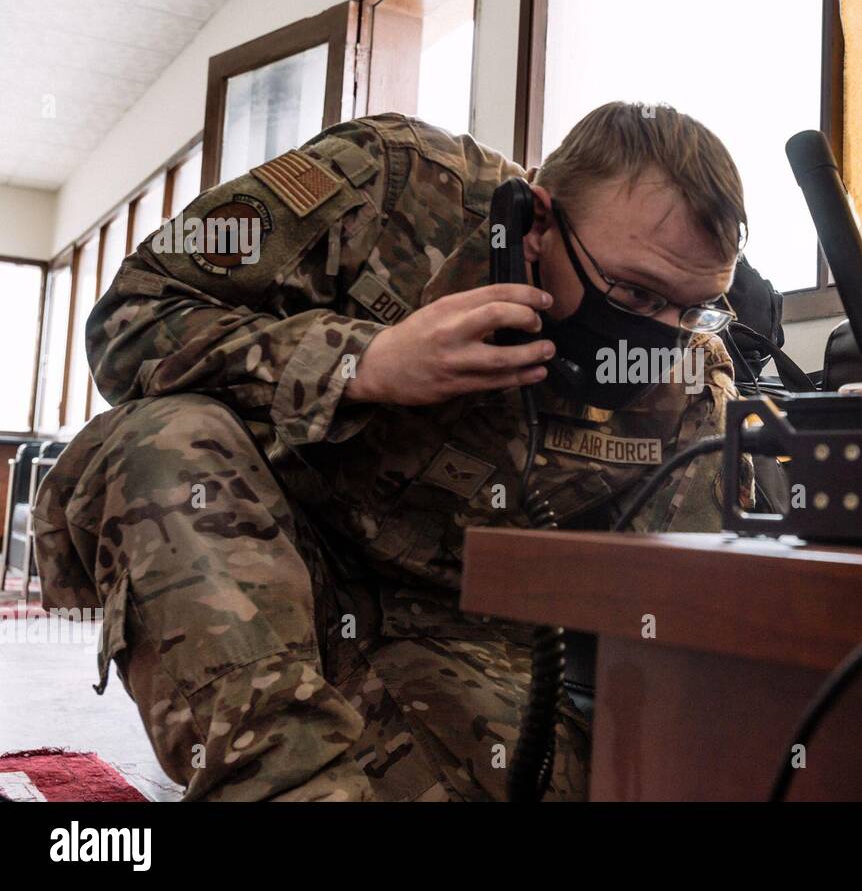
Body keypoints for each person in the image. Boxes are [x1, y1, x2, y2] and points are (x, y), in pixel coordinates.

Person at [33, 102, 751, 801]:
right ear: (537, 223)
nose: (658, 334)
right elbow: (131, 319)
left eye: (691, 309)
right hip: (262, 570)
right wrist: (362, 363)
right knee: (165, 438)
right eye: (632, 293)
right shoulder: (388, 184)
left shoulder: (689, 377)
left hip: (458, 640)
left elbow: (711, 614)